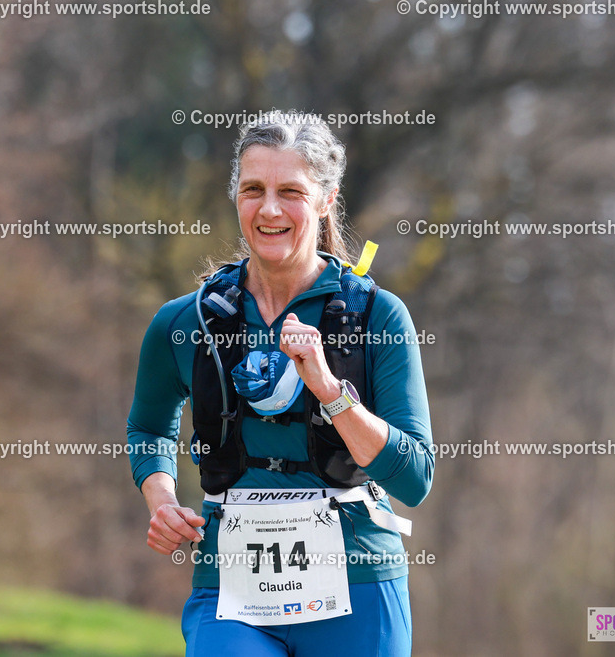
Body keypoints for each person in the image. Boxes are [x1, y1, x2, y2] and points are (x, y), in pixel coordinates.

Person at [126, 109, 433, 656]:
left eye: (290, 190)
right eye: (253, 189)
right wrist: (161, 497)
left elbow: (414, 478)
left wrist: (330, 392)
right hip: (232, 589)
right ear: (235, 197)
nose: (269, 209)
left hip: (357, 587)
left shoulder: (378, 317)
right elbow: (148, 426)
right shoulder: (185, 321)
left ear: (324, 198)